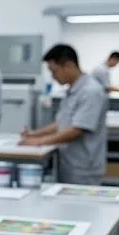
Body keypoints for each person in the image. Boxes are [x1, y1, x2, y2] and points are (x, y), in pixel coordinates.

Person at [20, 44, 108, 185]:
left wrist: (38, 142)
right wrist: (34, 134)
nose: (53, 76)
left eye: (54, 71)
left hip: (83, 167)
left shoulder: (91, 91)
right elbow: (61, 123)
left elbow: (77, 130)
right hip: (68, 162)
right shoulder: (72, 90)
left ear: (68, 65)